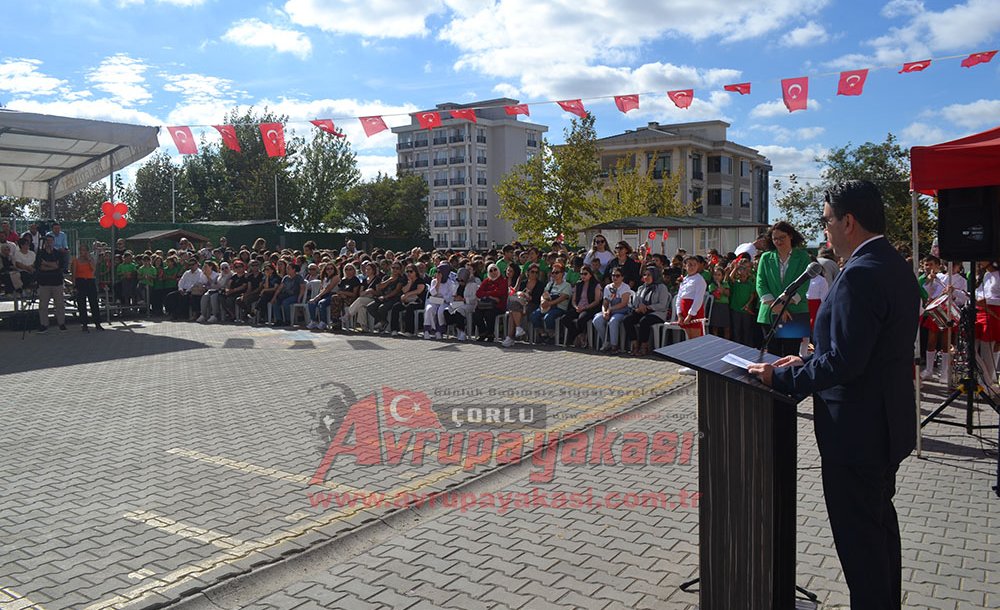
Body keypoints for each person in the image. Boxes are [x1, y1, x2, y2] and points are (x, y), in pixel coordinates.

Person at [748, 180, 919, 610]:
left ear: (848, 221)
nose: (824, 230)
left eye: (826, 220)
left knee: (862, 550)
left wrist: (782, 379)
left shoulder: (860, 274)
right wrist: (804, 362)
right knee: (879, 540)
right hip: (883, 427)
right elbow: (861, 350)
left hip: (857, 437)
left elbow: (845, 362)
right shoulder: (892, 264)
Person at [756, 221, 811, 357]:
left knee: (790, 354)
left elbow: (804, 284)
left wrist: (785, 304)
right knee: (772, 354)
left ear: (790, 236)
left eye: (782, 237)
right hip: (770, 312)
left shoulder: (803, 257)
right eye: (775, 239)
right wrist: (777, 307)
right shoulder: (766, 257)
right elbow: (760, 283)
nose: (779, 241)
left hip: (794, 312)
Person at [622, 266, 670, 356]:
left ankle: (644, 346)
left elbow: (662, 305)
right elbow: (635, 302)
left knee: (644, 321)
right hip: (642, 311)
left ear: (655, 275)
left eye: (649, 275)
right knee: (627, 319)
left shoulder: (661, 287)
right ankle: (634, 344)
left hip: (657, 313)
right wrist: (640, 306)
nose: (646, 277)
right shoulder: (641, 288)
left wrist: (648, 307)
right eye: (644, 275)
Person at [527, 263, 572, 345]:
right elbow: (543, 294)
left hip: (559, 308)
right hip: (547, 306)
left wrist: (549, 303)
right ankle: (543, 334)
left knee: (549, 317)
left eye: (557, 272)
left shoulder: (567, 285)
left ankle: (552, 335)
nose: (554, 274)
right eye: (553, 272)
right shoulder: (550, 284)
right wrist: (543, 301)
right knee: (533, 315)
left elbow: (562, 298)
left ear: (562, 273)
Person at [592, 267, 634, 354]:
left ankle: (614, 346)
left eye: (617, 276)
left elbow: (624, 303)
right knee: (597, 320)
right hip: (610, 310)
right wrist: (604, 312)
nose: (615, 277)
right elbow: (605, 302)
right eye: (613, 275)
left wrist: (610, 309)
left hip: (622, 310)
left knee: (613, 321)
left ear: (622, 277)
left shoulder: (625, 287)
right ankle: (606, 341)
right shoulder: (608, 287)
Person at [564, 266, 603, 348]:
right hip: (578, 307)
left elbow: (596, 301)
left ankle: (573, 337)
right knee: (564, 318)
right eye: (581, 274)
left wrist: (585, 308)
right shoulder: (578, 285)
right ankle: (579, 335)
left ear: (590, 275)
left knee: (581, 319)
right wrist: (576, 307)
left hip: (590, 308)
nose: (583, 276)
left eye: (585, 274)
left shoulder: (596, 285)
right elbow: (573, 300)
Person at [34, 234, 66, 332]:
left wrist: (46, 263)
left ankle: (61, 323)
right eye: (47, 241)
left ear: (53, 242)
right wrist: (52, 265)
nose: (49, 243)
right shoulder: (40, 253)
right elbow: (40, 267)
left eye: (51, 241)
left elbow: (58, 266)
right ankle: (44, 324)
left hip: (57, 282)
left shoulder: (58, 253)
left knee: (60, 304)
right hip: (44, 282)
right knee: (43, 305)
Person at [71, 243, 103, 332]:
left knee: (94, 303)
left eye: (84, 250)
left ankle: (97, 323)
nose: (82, 252)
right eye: (81, 250)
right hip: (80, 281)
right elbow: (73, 274)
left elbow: (93, 269)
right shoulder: (76, 261)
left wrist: (89, 259)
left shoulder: (91, 259)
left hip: (90, 281)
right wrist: (74, 285)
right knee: (82, 304)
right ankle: (84, 324)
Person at [473, 263, 508, 342]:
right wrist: (491, 296)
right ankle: (483, 332)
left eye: (495, 270)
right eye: (491, 271)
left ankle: (490, 333)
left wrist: (486, 294)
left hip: (499, 306)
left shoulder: (503, 281)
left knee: (489, 314)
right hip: (486, 304)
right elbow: (478, 293)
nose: (493, 272)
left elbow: (500, 292)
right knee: (476, 313)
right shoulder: (486, 281)